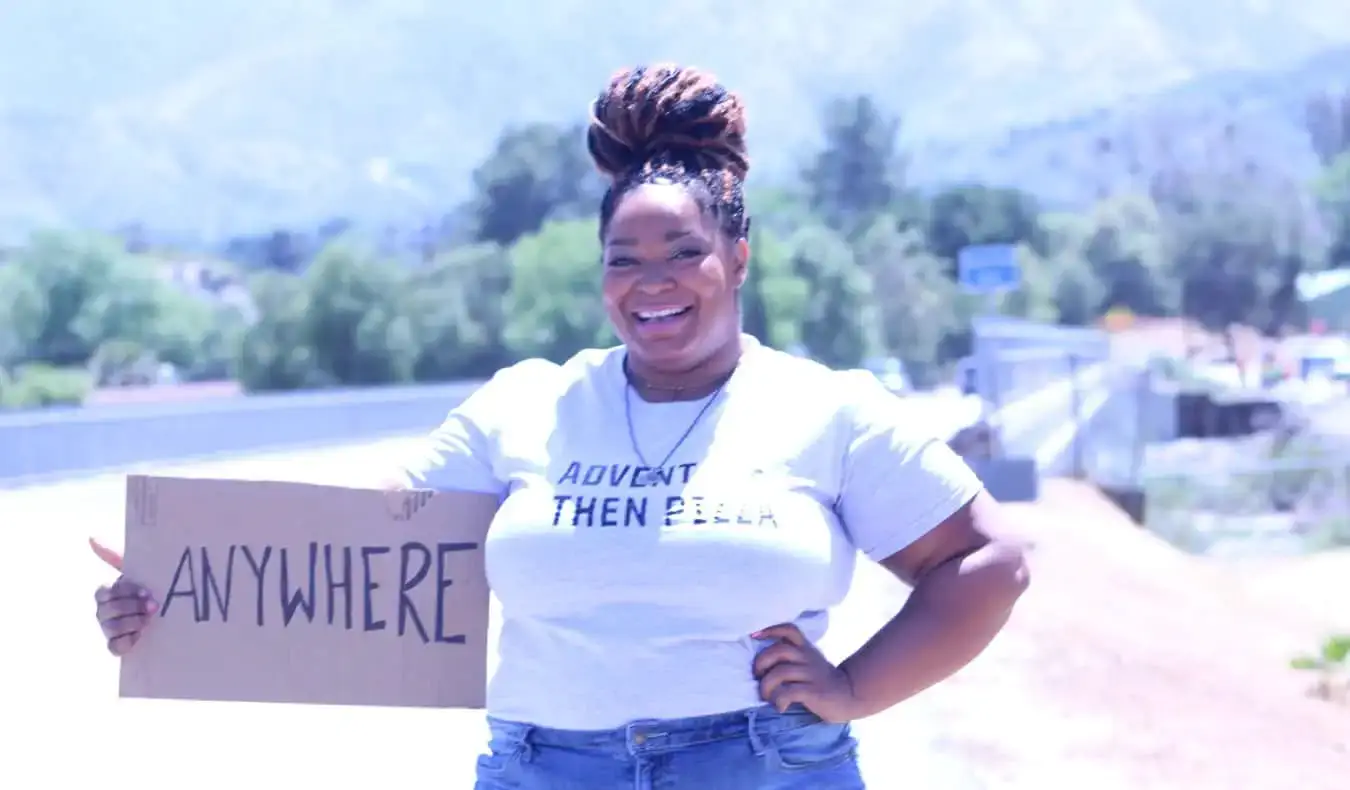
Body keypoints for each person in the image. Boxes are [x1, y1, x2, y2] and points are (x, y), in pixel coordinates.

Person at [92, 63, 1030, 790]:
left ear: (737, 258)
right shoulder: (527, 404)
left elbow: (991, 563)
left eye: (683, 253)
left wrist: (855, 688)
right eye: (624, 258)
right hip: (544, 766)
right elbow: (360, 539)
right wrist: (178, 576)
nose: (651, 281)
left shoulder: (826, 408)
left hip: (758, 763)